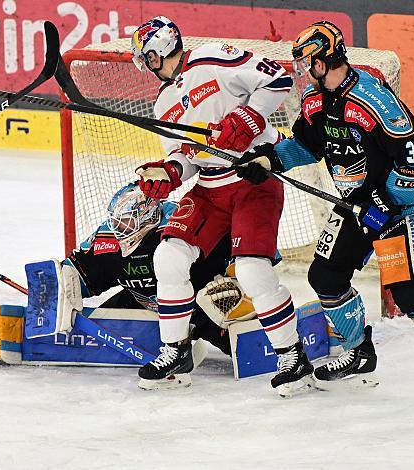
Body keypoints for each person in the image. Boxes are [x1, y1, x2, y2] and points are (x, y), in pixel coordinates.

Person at [234, 21, 414, 410]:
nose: (304, 70)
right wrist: (270, 159)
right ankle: (359, 352)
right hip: (356, 206)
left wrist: (383, 205)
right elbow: (305, 146)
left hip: (397, 210)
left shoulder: (373, 99)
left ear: (325, 58)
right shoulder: (316, 102)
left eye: (308, 62)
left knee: (411, 293)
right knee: (326, 276)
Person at [131, 16, 313, 395]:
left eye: (147, 56)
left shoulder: (214, 58)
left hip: (253, 179)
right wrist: (167, 173)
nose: (147, 66)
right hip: (211, 190)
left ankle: (292, 355)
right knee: (168, 257)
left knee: (251, 272)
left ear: (163, 46)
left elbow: (277, 79)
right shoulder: (164, 102)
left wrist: (247, 117)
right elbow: (185, 159)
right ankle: (175, 351)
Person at [64, 183, 232, 357]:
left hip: (201, 308)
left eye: (126, 220)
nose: (117, 227)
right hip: (142, 301)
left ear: (147, 216)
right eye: (115, 220)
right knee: (93, 338)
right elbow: (77, 272)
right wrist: (60, 290)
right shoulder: (107, 239)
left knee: (246, 349)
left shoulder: (181, 223)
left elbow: (228, 244)